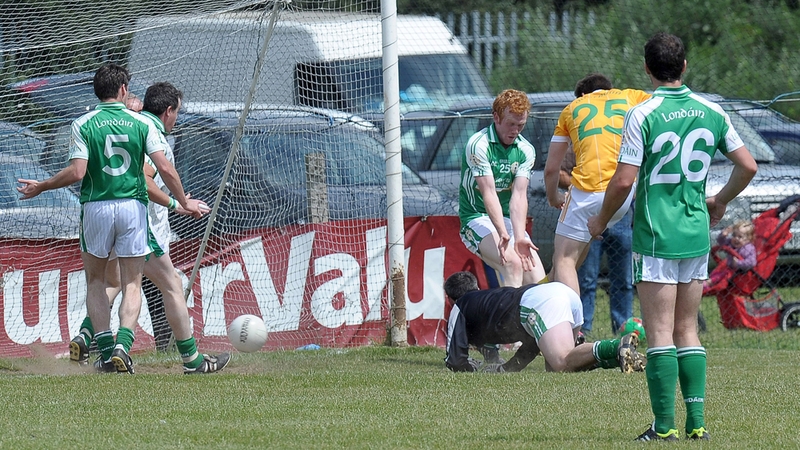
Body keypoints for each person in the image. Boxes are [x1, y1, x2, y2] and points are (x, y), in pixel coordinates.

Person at [588, 32, 758, 441]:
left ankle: (664, 426)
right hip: (695, 231)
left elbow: (623, 180)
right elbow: (748, 166)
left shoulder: (642, 113)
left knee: (660, 330)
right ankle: (697, 424)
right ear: (684, 67)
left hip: (656, 235)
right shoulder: (711, 110)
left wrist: (600, 220)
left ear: (646, 69)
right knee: (688, 329)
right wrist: (717, 201)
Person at [17, 64, 202, 373]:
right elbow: (164, 169)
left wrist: (44, 185)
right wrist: (181, 202)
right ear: (123, 90)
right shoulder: (140, 123)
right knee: (132, 283)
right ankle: (123, 346)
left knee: (96, 281)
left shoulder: (83, 123)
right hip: (132, 207)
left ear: (96, 91)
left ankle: (104, 351)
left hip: (96, 208)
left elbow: (77, 172)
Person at [69, 81, 230, 374]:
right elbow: (145, 178)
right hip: (139, 224)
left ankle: (87, 334)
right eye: (177, 112)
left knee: (113, 283)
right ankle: (192, 360)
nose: (177, 119)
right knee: (171, 286)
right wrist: (178, 204)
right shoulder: (153, 134)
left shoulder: (131, 121)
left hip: (108, 215)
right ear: (168, 111)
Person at [544, 73, 649, 297]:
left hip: (587, 191)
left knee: (563, 260)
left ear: (582, 95)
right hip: (622, 196)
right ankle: (537, 296)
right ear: (609, 89)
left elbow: (552, 169)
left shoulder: (573, 108)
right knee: (567, 264)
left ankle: (572, 328)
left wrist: (553, 198)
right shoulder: (630, 96)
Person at [443, 271, 645, 373]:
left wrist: (471, 369)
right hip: (562, 293)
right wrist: (506, 369)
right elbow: (532, 342)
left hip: (541, 302)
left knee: (562, 361)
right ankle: (619, 357)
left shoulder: (460, 306)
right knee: (562, 370)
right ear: (477, 288)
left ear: (450, 299)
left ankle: (616, 346)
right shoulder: (486, 303)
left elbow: (454, 360)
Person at [458, 89, 547, 289]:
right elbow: (488, 191)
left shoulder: (525, 150)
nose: (515, 131)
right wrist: (501, 232)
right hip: (476, 217)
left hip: (507, 220)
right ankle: (508, 320)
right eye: (511, 124)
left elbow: (519, 197)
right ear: (496, 117)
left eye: (520, 125)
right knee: (513, 264)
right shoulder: (478, 145)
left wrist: (520, 236)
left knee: (538, 280)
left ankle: (531, 319)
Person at [559, 145, 634, 334]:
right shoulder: (581, 142)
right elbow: (560, 174)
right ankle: (582, 328)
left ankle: (623, 327)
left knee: (624, 278)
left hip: (619, 215)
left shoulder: (625, 142)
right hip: (588, 215)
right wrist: (581, 185)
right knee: (586, 278)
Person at [703, 220, 757, 292]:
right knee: (718, 272)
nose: (736, 238)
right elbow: (722, 242)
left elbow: (752, 262)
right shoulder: (731, 243)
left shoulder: (749, 248)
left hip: (741, 272)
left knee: (724, 274)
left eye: (740, 236)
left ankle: (709, 284)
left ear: (748, 239)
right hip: (729, 269)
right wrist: (723, 235)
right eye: (734, 235)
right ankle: (709, 283)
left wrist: (738, 263)